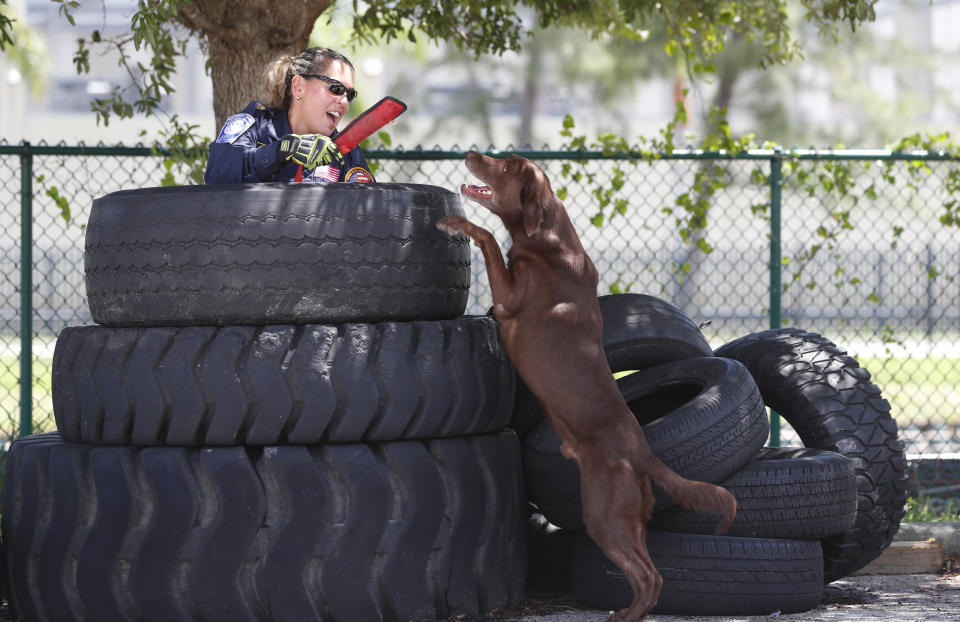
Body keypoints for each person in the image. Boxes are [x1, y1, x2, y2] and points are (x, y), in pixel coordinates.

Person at [205, 46, 375, 184]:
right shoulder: (256, 124)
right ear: (298, 86)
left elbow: (367, 210)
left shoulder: (345, 149)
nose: (344, 102)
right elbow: (217, 175)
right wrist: (284, 149)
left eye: (350, 95)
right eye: (336, 88)